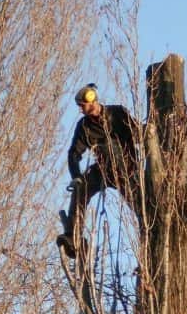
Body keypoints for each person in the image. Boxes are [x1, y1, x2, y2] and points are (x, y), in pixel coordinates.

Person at [57, 83, 141, 259]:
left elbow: (138, 133)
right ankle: (74, 237)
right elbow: (74, 153)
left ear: (90, 100)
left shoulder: (118, 113)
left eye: (82, 106)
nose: (81, 110)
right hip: (103, 169)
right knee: (81, 190)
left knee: (140, 204)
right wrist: (77, 177)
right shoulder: (84, 126)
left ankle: (151, 231)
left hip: (126, 168)